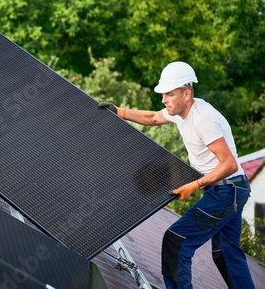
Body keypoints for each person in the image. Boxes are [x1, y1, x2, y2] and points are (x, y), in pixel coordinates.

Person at [99, 61, 254, 289]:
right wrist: (119, 112)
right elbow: (152, 118)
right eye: (163, 94)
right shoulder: (180, 112)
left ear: (186, 93)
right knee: (226, 254)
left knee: (176, 241)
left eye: (169, 94)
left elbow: (229, 164)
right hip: (231, 190)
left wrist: (194, 185)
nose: (164, 99)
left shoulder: (204, 118)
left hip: (227, 189)